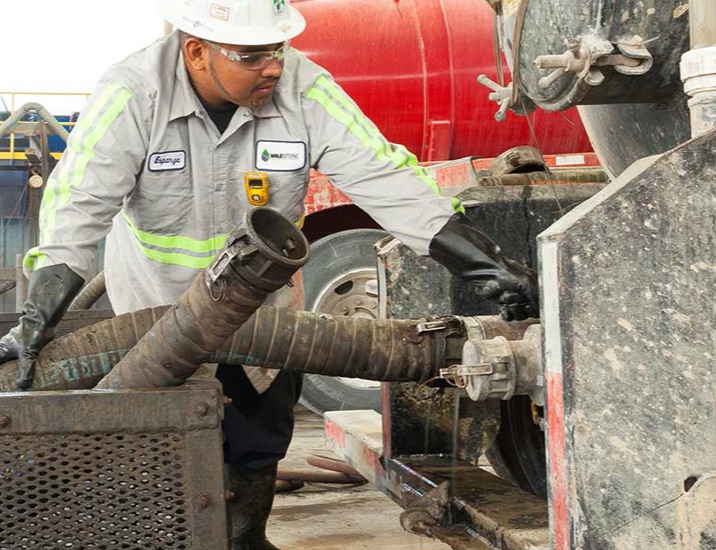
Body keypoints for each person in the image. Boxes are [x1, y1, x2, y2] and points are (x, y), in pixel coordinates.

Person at [0, 0, 538, 547]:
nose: (274, 67)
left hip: (265, 318)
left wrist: (482, 262)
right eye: (253, 55)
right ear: (197, 52)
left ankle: (247, 537)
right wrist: (41, 306)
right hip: (157, 318)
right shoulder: (134, 94)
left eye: (278, 49)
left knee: (258, 434)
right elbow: (76, 206)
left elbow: (385, 175)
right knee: (161, 440)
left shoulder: (304, 87)